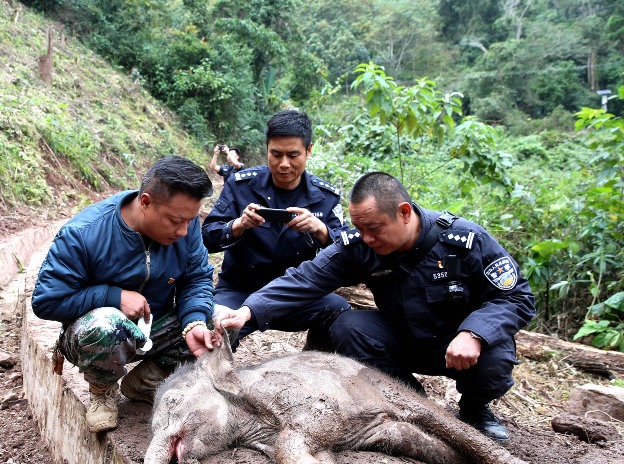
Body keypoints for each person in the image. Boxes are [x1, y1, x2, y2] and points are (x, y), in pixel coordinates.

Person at [218, 171, 536, 443]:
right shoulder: (362, 244)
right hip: (403, 338)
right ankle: (414, 403)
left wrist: (475, 333)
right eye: (361, 228)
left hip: (459, 346)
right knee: (346, 326)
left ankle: (475, 409)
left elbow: (517, 297)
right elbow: (306, 279)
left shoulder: (465, 240)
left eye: (375, 229)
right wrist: (249, 311)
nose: (367, 238)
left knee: (496, 355)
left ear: (405, 212)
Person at [31, 156, 217, 433]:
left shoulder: (185, 230)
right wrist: (113, 296)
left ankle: (148, 379)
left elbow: (197, 278)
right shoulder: (83, 234)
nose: (184, 231)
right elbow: (47, 301)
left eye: (191, 220)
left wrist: (194, 322)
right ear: (145, 202)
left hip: (153, 327)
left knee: (220, 322)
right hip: (95, 337)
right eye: (176, 220)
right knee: (104, 323)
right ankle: (102, 389)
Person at [202, 109, 350, 348]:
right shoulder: (241, 185)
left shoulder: (326, 197)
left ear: (308, 150)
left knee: (340, 312)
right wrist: (238, 225)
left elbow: (347, 253)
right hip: (240, 290)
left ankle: (312, 370)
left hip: (294, 294)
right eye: (276, 154)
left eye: (293, 155)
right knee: (216, 329)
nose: (284, 164)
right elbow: (207, 237)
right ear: (267, 149)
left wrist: (320, 229)